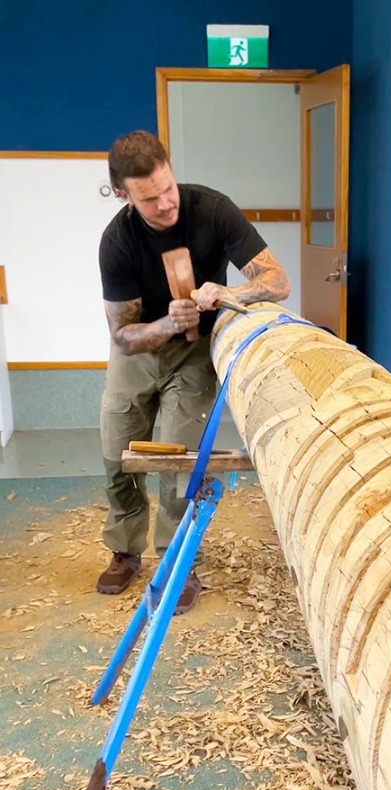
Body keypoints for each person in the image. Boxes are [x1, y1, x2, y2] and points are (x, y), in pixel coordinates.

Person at [96, 130, 290, 613]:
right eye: (150, 198)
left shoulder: (212, 210)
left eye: (168, 188)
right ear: (123, 195)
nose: (166, 204)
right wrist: (166, 323)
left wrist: (229, 293)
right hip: (139, 351)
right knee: (117, 454)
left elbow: (277, 281)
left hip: (196, 351)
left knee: (182, 461)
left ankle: (177, 562)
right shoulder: (117, 242)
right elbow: (122, 336)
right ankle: (125, 550)